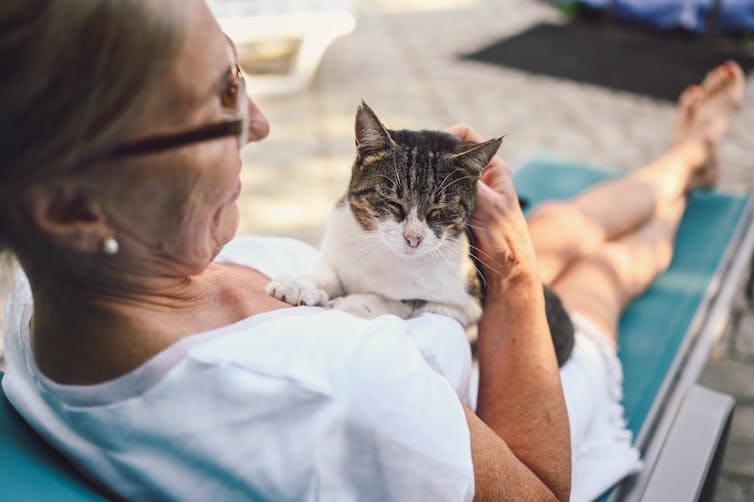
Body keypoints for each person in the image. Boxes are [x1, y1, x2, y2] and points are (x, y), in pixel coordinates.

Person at [0, 1, 744, 500]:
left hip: (437, 309)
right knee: (599, 279)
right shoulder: (339, 389)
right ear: (69, 207)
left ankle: (680, 161)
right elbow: (541, 491)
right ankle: (684, 180)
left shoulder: (41, 297)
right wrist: (514, 276)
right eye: (219, 102)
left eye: (240, 77)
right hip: (525, 391)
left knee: (559, 227)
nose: (258, 125)